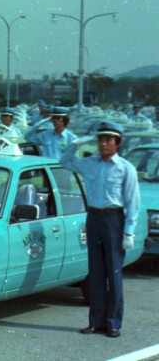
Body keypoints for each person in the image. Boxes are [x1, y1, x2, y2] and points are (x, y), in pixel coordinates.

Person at [59, 122, 140, 339]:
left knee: (113, 273)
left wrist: (129, 232)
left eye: (108, 140)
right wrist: (76, 143)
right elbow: (64, 161)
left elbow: (133, 202)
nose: (103, 144)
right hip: (93, 218)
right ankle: (95, 321)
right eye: (100, 140)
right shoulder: (89, 163)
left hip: (114, 220)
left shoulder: (125, 168)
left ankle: (113, 323)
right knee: (95, 273)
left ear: (117, 143)